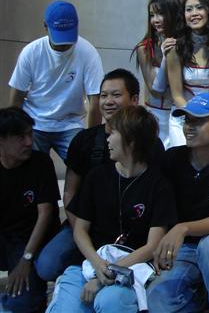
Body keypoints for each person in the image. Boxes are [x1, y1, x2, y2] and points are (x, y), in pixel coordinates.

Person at [35, 68, 165, 282]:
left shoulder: (151, 145)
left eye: (116, 95)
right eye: (103, 95)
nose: (108, 101)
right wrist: (83, 234)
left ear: (134, 100)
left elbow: (156, 194)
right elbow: (70, 192)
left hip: (132, 230)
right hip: (84, 223)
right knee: (47, 265)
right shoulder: (83, 141)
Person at [46, 106, 177, 313]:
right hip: (90, 262)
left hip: (131, 267)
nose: (108, 139)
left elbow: (152, 246)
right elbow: (80, 230)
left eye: (114, 133)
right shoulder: (97, 176)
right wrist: (98, 265)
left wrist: (109, 272)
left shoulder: (159, 186)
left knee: (109, 302)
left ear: (131, 141)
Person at [146, 93, 209, 313]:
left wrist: (183, 228)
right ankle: (202, 299)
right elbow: (159, 210)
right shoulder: (170, 159)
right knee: (158, 298)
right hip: (180, 248)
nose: (189, 127)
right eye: (187, 120)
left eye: (198, 121)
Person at [8, 0, 104, 160]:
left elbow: (95, 102)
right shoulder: (31, 52)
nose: (64, 45)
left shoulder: (88, 53)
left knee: (83, 163)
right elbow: (16, 99)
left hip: (71, 123)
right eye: (60, 38)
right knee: (29, 164)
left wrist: (92, 141)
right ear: (46, 27)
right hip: (35, 121)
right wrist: (14, 135)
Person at [0, 108, 60, 312]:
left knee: (21, 305)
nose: (28, 142)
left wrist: (26, 259)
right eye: (20, 137)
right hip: (6, 237)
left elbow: (46, 213)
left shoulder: (41, 163)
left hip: (34, 238)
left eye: (29, 134)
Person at [167, 0, 209, 147]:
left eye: (199, 7)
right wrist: (193, 116)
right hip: (183, 115)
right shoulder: (175, 48)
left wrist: (206, 118)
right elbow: (176, 95)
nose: (194, 13)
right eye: (189, 9)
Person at [134, 0, 183, 148]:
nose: (155, 20)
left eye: (160, 14)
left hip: (180, 115)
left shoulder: (185, 45)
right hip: (155, 116)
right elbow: (156, 90)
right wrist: (166, 58)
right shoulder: (144, 48)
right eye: (152, 15)